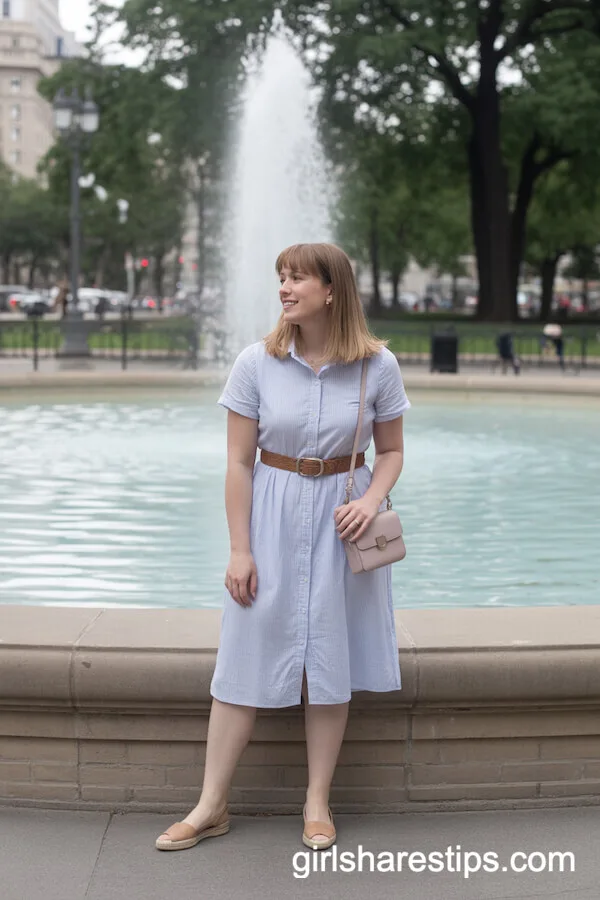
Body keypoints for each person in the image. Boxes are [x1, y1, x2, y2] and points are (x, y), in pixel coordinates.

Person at [155, 242, 411, 853]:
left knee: (329, 661)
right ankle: (210, 804)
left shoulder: (378, 367)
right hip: (269, 516)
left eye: (297, 278)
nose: (285, 288)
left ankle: (317, 802)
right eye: (281, 277)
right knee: (242, 657)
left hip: (341, 525)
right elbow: (239, 463)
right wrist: (240, 549)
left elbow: (393, 452)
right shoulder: (256, 362)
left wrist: (370, 500)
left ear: (332, 290)